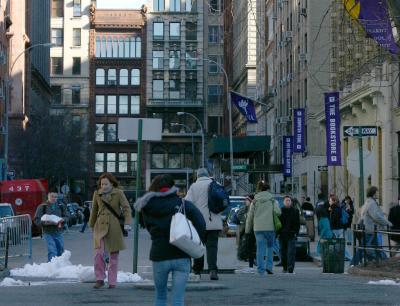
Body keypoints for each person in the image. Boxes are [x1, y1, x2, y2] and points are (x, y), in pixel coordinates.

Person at [134, 174, 205, 306]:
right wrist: (196, 240)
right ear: (173, 187)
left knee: (160, 297)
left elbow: (147, 226)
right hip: (181, 253)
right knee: (178, 299)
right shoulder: (183, 203)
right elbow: (201, 222)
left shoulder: (147, 206)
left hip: (159, 254)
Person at [89, 172, 132, 289]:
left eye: (106, 184)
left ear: (112, 183)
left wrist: (128, 223)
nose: (103, 186)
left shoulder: (119, 193)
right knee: (98, 254)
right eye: (102, 184)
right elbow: (94, 210)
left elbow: (127, 208)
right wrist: (91, 225)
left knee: (113, 256)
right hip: (100, 226)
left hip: (114, 227)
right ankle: (99, 279)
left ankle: (112, 281)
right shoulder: (97, 194)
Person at [185, 168, 222, 281]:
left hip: (199, 223)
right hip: (214, 222)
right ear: (207, 175)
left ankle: (197, 271)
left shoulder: (194, 187)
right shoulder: (216, 184)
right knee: (212, 248)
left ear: (198, 176)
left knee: (198, 247)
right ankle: (213, 271)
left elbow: (187, 203)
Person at [245, 180, 281, 275]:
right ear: (268, 189)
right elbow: (278, 212)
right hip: (270, 228)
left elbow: (250, 217)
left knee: (260, 249)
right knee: (270, 247)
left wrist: (247, 229)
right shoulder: (272, 200)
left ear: (259, 189)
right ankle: (269, 267)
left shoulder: (254, 201)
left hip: (258, 228)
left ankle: (260, 269)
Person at [352, 186, 392, 266]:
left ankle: (385, 262)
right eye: (377, 192)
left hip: (369, 229)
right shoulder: (372, 203)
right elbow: (376, 216)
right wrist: (388, 223)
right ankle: (353, 263)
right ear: (373, 193)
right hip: (370, 229)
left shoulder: (367, 202)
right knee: (363, 248)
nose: (378, 194)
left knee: (377, 248)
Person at [34, 191, 70, 262]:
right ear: (48, 197)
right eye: (52, 196)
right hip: (47, 232)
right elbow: (36, 220)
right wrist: (45, 223)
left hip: (59, 232)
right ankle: (51, 266)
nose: (54, 198)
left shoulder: (61, 206)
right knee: (52, 250)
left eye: (55, 197)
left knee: (60, 250)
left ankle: (59, 265)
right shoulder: (42, 207)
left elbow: (67, 217)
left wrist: (63, 220)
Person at [278, 196, 300, 273]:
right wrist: (278, 233)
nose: (288, 202)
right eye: (286, 200)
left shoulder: (295, 211)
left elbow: (298, 223)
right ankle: (284, 266)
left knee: (291, 252)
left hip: (291, 234)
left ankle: (290, 267)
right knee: (283, 252)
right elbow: (278, 223)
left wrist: (296, 232)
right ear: (283, 202)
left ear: (291, 202)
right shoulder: (280, 211)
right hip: (282, 234)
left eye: (289, 200)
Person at [236, 194, 256, 270]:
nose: (245, 202)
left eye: (247, 200)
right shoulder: (244, 209)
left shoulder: (253, 208)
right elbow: (238, 216)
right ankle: (245, 258)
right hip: (245, 229)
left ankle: (251, 261)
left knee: (251, 247)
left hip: (252, 229)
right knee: (245, 245)